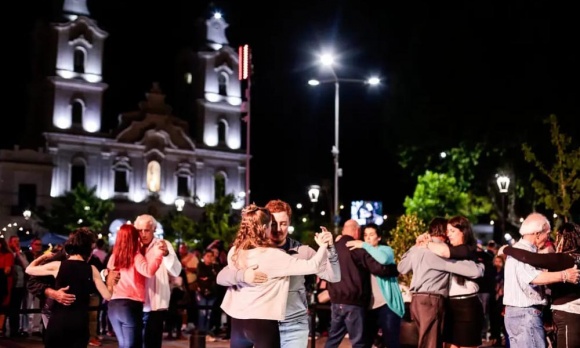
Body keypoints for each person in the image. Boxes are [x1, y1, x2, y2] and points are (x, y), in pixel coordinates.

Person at [218, 199, 341, 347]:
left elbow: (334, 276)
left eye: (283, 223)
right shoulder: (249, 251)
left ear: (289, 223)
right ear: (266, 225)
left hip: (293, 326)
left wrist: (330, 248)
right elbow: (222, 276)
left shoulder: (303, 251)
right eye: (274, 224)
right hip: (262, 324)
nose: (278, 229)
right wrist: (243, 276)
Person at [398, 217, 484, 348]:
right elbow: (468, 269)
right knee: (430, 342)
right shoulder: (439, 250)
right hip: (432, 301)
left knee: (426, 340)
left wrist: (416, 245)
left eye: (452, 230)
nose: (449, 234)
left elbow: (402, 267)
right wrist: (479, 268)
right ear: (443, 233)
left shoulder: (419, 248)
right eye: (448, 231)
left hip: (418, 300)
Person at [25, 227, 114, 348]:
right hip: (80, 324)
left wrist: (43, 257)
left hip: (58, 322)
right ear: (88, 248)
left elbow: (29, 269)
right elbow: (108, 296)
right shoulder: (91, 269)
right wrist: (111, 283)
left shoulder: (57, 265)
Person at [502, 213, 580, 348]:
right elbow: (534, 278)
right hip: (525, 315)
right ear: (537, 234)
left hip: (522, 315)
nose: (549, 238)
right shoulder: (522, 251)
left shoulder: (522, 251)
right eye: (548, 233)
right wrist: (565, 275)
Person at [324, 219, 400, 348]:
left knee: (333, 339)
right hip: (354, 303)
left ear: (343, 231)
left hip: (336, 302)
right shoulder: (356, 247)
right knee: (359, 342)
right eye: (364, 234)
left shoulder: (332, 248)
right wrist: (395, 269)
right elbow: (378, 269)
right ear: (357, 231)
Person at [345, 223, 405, 348]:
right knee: (366, 342)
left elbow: (382, 259)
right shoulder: (362, 253)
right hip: (369, 306)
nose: (368, 238)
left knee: (391, 342)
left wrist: (363, 245)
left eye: (371, 235)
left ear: (379, 237)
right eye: (365, 235)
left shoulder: (385, 250)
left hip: (386, 305)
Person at [106, 223, 165, 348]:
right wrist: (159, 255)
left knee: (123, 344)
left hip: (113, 305)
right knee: (133, 345)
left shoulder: (113, 257)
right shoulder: (135, 256)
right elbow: (148, 271)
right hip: (130, 305)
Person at [133, 214, 182, 348]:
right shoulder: (132, 246)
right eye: (139, 230)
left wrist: (166, 254)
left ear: (154, 229)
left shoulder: (163, 244)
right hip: (134, 302)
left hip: (156, 303)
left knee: (152, 342)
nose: (143, 234)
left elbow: (176, 271)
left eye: (147, 230)